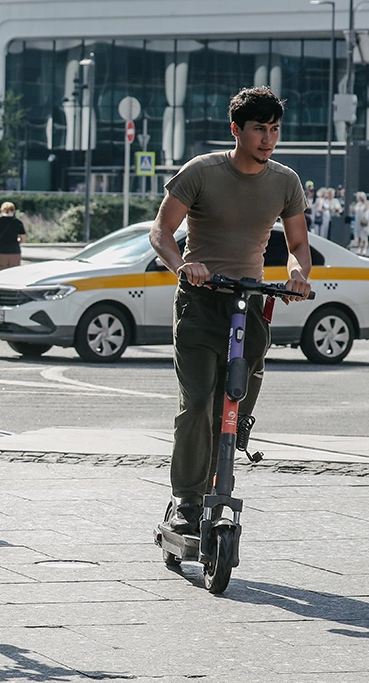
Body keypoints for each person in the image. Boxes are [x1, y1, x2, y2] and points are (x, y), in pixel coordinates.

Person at [149, 86, 311, 534]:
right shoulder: (202, 171)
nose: (268, 139)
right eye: (259, 129)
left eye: (274, 129)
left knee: (237, 398)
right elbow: (161, 230)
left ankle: (235, 434)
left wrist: (297, 274)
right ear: (237, 129)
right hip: (202, 302)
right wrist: (184, 265)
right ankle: (186, 498)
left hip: (250, 301)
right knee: (199, 402)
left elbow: (297, 243)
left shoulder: (285, 181)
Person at [0, 201, 27, 272]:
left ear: (2, 210)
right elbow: (23, 239)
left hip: (0, 251)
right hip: (15, 251)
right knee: (13, 273)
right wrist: (17, 242)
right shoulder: (18, 222)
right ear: (14, 210)